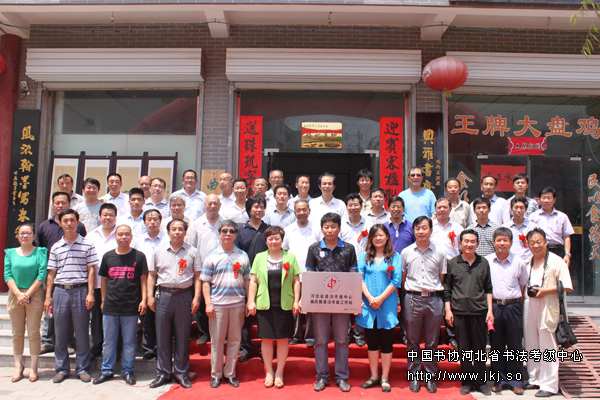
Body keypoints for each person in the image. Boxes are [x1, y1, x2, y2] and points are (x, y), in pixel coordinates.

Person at [45, 209, 98, 383]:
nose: (69, 223)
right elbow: (51, 274)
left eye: (72, 220)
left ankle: (82, 368)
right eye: (65, 220)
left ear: (77, 222)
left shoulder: (87, 244)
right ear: (60, 223)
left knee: (82, 332)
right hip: (60, 291)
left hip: (80, 290)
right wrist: (48, 296)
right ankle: (62, 369)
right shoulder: (56, 247)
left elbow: (91, 270)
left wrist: (90, 293)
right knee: (60, 333)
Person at [306, 213, 358, 393]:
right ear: (322, 229)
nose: (330, 230)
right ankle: (321, 376)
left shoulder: (349, 249)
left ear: (339, 228)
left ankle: (342, 376)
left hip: (341, 302)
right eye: (326, 227)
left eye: (333, 226)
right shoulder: (314, 249)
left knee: (342, 340)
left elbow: (353, 274)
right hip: (320, 302)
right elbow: (309, 273)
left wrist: (354, 300)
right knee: (320, 341)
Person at [147, 219, 201, 389]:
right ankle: (163, 373)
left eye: (180, 229)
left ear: (185, 232)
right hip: (163, 295)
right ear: (168, 231)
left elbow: (198, 276)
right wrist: (149, 296)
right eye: (174, 229)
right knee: (162, 336)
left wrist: (196, 297)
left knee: (182, 336)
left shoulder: (193, 252)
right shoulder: (158, 251)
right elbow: (151, 275)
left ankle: (181, 372)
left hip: (184, 296)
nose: (177, 232)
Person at [247, 226, 301, 388]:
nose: (273, 241)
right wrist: (251, 301)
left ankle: (279, 372)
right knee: (267, 339)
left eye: (277, 238)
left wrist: (296, 301)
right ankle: (269, 371)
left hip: (284, 304)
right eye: (270, 238)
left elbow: (296, 281)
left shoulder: (290, 257)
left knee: (283, 339)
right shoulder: (259, 257)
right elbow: (253, 281)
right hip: (264, 304)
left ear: (282, 240)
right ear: (266, 241)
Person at [93, 224, 148, 386]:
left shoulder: (139, 256)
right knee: (108, 341)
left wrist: (144, 299)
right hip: (111, 305)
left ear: (131, 237)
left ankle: (128, 371)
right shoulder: (108, 256)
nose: (123, 237)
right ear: (115, 237)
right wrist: (103, 300)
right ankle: (106, 370)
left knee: (129, 341)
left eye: (126, 234)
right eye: (120, 234)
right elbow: (103, 280)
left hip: (131, 305)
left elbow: (143, 280)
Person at [201, 220, 250, 388]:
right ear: (219, 234)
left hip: (237, 304)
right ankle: (216, 374)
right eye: (224, 231)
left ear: (236, 235)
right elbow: (205, 282)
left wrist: (249, 301)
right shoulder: (211, 256)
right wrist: (208, 303)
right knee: (217, 341)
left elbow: (247, 280)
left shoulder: (242, 255)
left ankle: (230, 373)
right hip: (218, 305)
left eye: (231, 231)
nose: (228, 234)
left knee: (235, 340)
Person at [523, 228, 572, 398]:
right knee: (531, 343)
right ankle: (535, 377)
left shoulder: (557, 261)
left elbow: (567, 287)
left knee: (548, 345)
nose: (535, 245)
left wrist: (545, 291)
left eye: (539, 242)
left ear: (546, 242)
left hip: (548, 305)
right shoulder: (527, 261)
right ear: (528, 245)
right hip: (529, 304)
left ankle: (549, 385)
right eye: (532, 243)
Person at [444, 229, 494, 396]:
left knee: (479, 348)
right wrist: (448, 310)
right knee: (464, 349)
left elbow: (488, 288)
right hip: (459, 312)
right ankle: (466, 382)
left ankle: (481, 382)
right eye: (466, 241)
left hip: (479, 311)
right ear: (460, 243)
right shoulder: (453, 263)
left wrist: (490, 311)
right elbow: (447, 289)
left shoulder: (483, 263)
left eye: (473, 241)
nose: (469, 244)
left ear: (477, 244)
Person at [37, 191, 87, 354]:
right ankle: (47, 340)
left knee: (70, 311)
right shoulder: (44, 226)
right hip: (51, 272)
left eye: (63, 203)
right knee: (49, 306)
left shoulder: (79, 226)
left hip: (72, 273)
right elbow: (40, 250)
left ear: (69, 204)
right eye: (57, 203)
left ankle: (69, 341)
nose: (60, 205)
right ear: (53, 204)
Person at [401, 216, 446, 394]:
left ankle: (430, 376)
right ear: (413, 231)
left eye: (424, 228)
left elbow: (442, 277)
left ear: (431, 230)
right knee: (412, 340)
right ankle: (414, 375)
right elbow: (403, 277)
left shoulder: (440, 252)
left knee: (432, 341)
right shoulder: (406, 252)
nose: (421, 231)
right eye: (417, 228)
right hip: (413, 298)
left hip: (434, 299)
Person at [356, 224, 402, 393]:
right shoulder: (364, 256)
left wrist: (380, 299)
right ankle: (374, 376)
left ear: (387, 237)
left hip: (387, 305)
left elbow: (396, 280)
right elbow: (359, 278)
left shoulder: (395, 257)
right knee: (372, 342)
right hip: (368, 305)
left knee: (387, 343)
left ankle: (385, 378)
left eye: (381, 235)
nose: (378, 238)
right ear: (370, 238)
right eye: (375, 236)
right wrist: (370, 298)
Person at [485, 227, 528, 395]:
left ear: (511, 242)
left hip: (513, 306)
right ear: (494, 242)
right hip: (494, 307)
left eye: (505, 240)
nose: (502, 243)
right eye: (499, 240)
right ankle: (499, 380)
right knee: (496, 345)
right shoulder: (487, 261)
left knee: (515, 344)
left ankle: (516, 381)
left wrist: (516, 303)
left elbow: (523, 285)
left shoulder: (519, 262)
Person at [4, 223, 47, 383]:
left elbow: (41, 275)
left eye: (28, 233)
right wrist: (18, 294)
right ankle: (18, 365)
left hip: (34, 294)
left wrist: (27, 294)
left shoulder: (40, 252)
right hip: (15, 294)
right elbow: (7, 275)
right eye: (22, 233)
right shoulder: (10, 253)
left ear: (33, 235)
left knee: (34, 332)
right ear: (17, 236)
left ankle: (34, 367)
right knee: (17, 332)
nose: (25, 236)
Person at [235, 196, 269, 361]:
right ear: (249, 209)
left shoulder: (269, 230)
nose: (259, 210)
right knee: (245, 315)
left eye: (262, 207)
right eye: (256, 206)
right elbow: (235, 254)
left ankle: (265, 348)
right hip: (245, 277)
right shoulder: (240, 231)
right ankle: (245, 348)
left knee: (264, 314)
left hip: (265, 278)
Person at [186, 193, 222, 345]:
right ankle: (204, 332)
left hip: (221, 268)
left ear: (220, 205)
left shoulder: (225, 223)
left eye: (215, 203)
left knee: (219, 301)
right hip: (201, 269)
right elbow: (190, 246)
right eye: (210, 203)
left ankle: (219, 332)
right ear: (204, 205)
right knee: (201, 302)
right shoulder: (196, 224)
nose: (212, 206)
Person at [283, 199, 318, 345]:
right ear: (295, 212)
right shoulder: (288, 229)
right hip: (293, 274)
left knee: (311, 306)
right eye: (298, 210)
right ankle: (295, 335)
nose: (301, 212)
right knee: (295, 304)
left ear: (309, 211)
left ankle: (310, 336)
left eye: (304, 209)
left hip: (312, 273)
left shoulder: (316, 228)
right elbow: (284, 250)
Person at [86, 203, 118, 361]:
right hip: (96, 284)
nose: (107, 218)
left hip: (116, 285)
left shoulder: (121, 234)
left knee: (115, 317)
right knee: (97, 317)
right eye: (105, 215)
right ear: (99, 217)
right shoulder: (91, 236)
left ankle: (115, 348)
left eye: (111, 215)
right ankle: (97, 346)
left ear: (115, 217)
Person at [134, 209, 165, 360]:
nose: (152, 222)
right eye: (149, 219)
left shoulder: (167, 238)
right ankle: (148, 347)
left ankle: (162, 346)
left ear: (160, 221)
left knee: (161, 315)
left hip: (162, 280)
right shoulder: (138, 240)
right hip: (142, 279)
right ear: (144, 222)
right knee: (145, 314)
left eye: (155, 219)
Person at [530, 186, 574, 266]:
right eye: (544, 198)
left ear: (554, 200)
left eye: (549, 198)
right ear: (539, 200)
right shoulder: (533, 217)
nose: (546, 200)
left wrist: (567, 254)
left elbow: (567, 237)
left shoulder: (562, 216)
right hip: (539, 250)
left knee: (557, 273)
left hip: (558, 250)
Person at [504, 196, 537, 263]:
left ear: (526, 209)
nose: (519, 210)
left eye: (521, 208)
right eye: (516, 207)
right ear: (511, 209)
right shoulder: (505, 227)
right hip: (510, 262)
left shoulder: (533, 227)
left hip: (529, 262)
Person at [340, 193, 369, 257]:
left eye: (356, 205)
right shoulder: (341, 225)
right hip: (346, 260)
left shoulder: (368, 224)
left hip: (364, 260)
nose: (353, 208)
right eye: (350, 205)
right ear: (346, 207)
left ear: (361, 206)